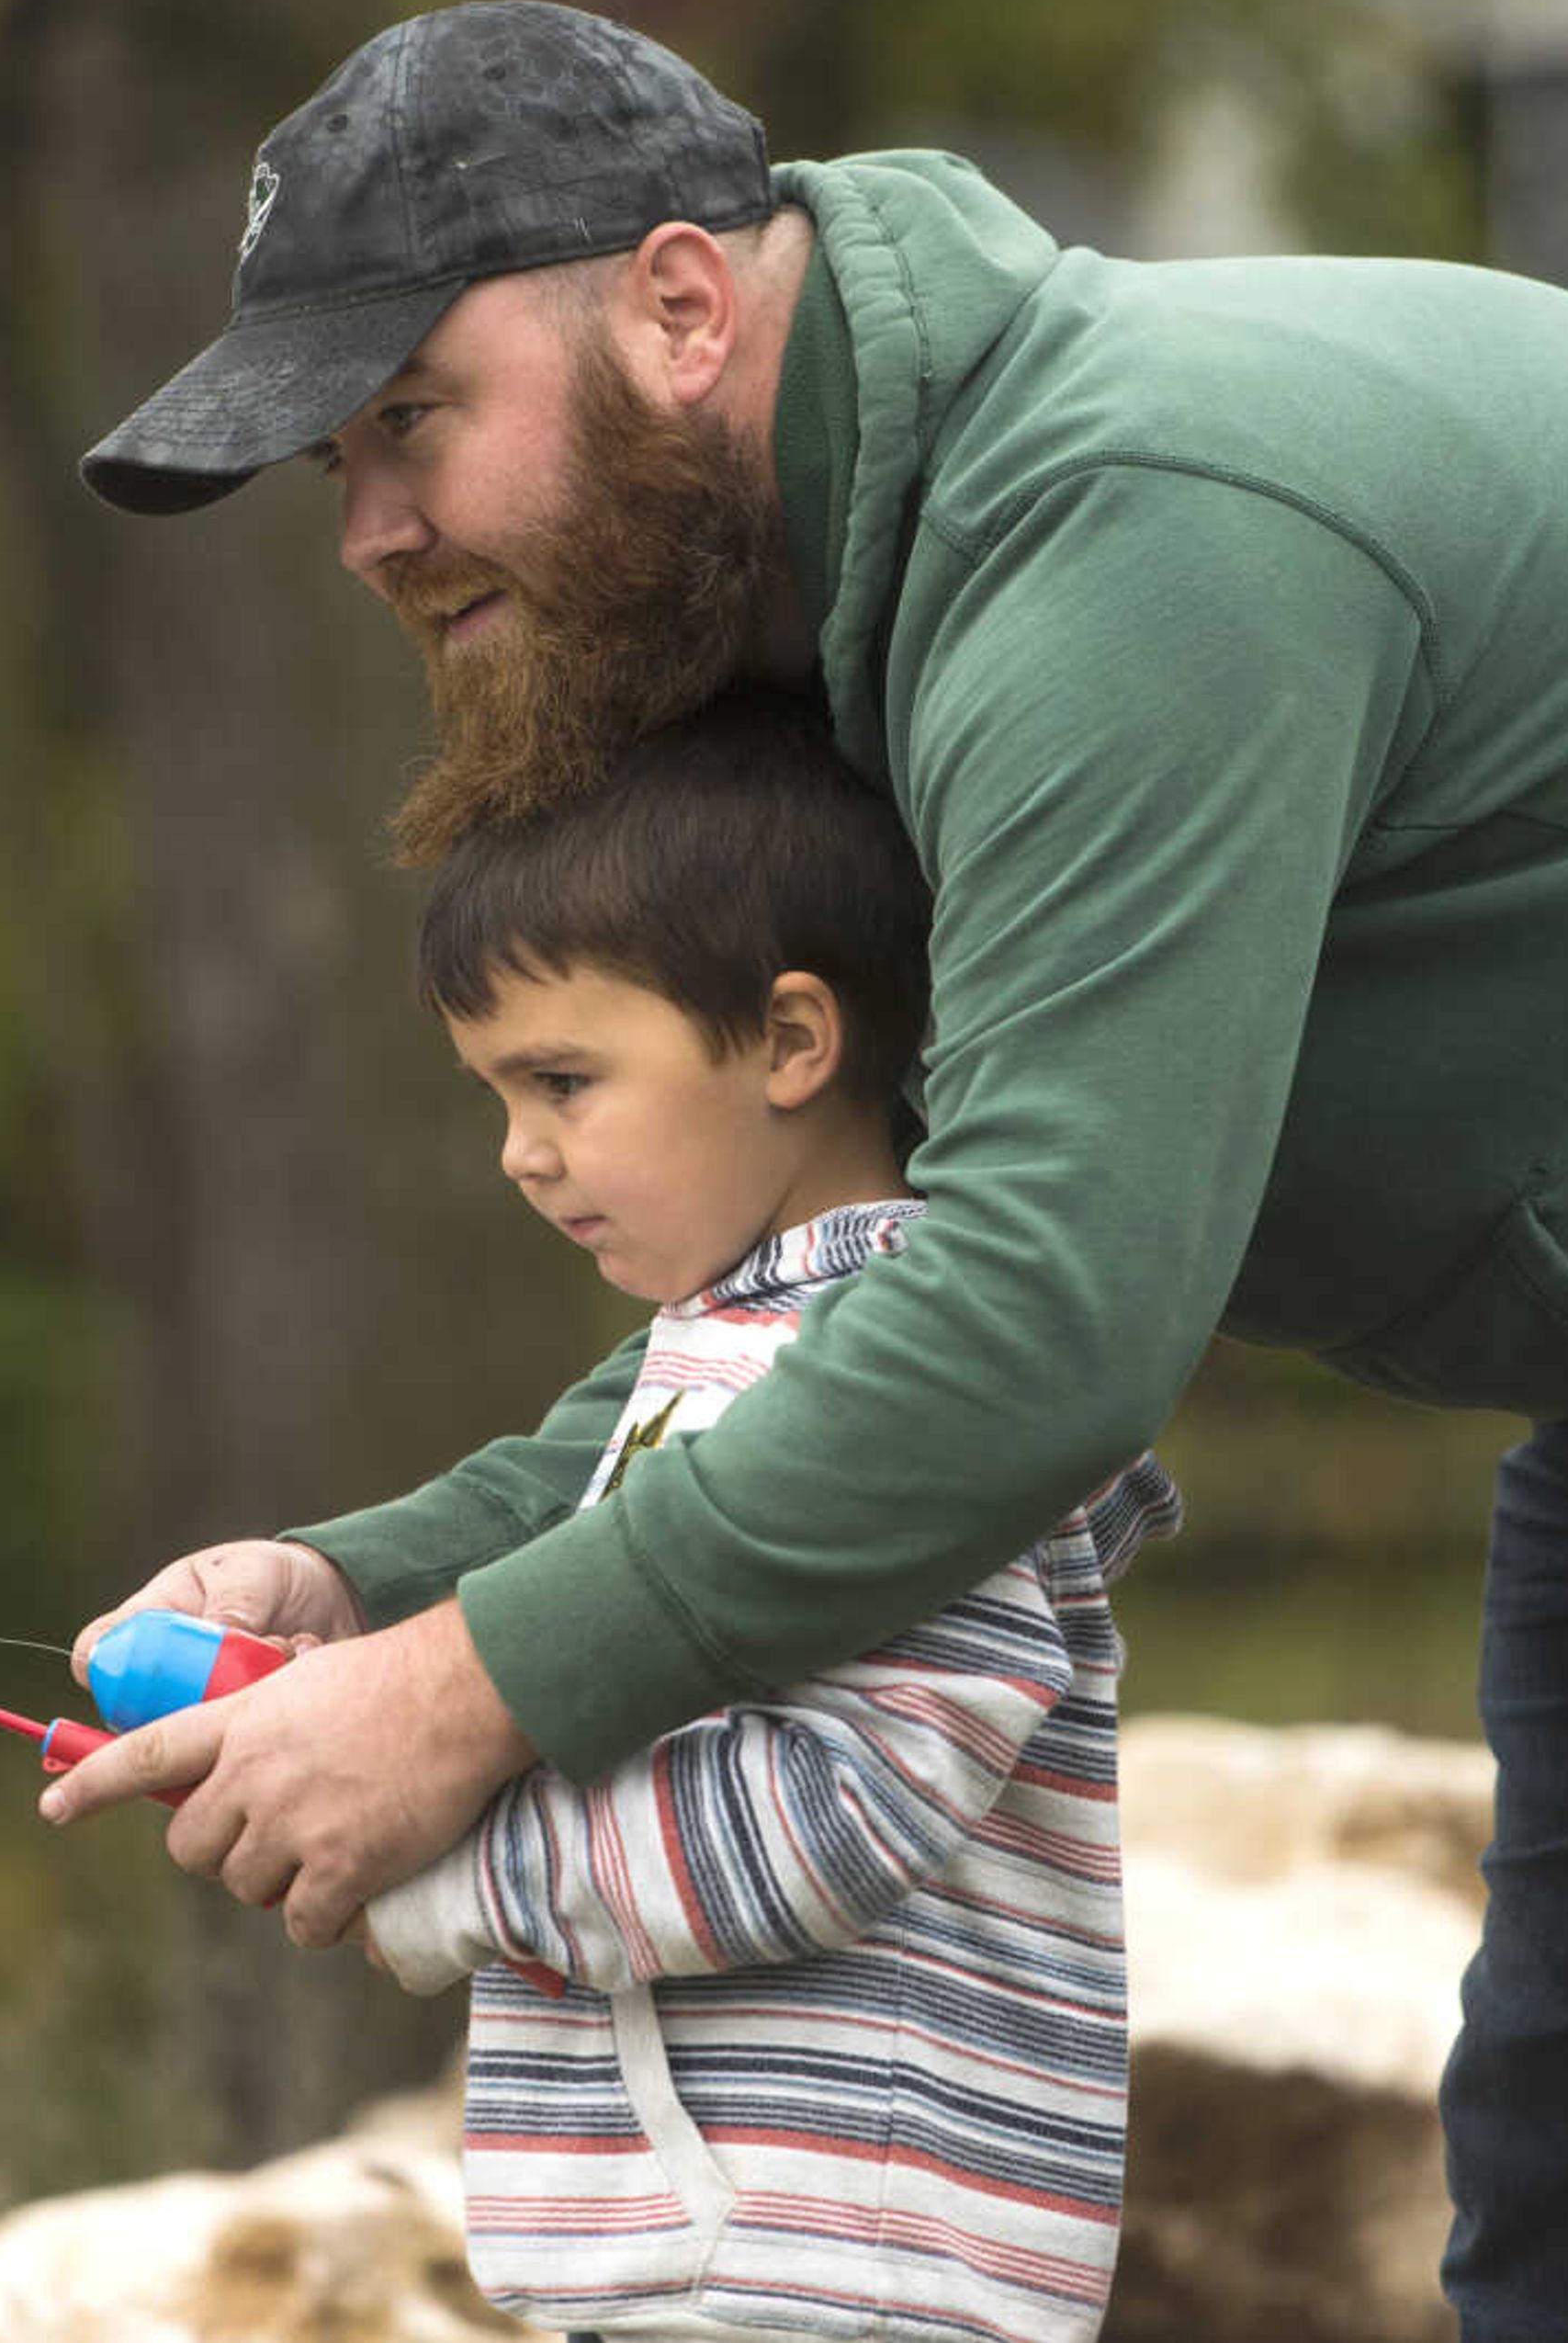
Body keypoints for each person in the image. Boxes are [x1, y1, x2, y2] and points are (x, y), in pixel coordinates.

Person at [46, 1, 1568, 2337]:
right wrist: (377, 1586)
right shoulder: (818, 628)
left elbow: (1044, 1323)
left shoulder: (1114, 555)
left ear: (685, 308)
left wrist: (459, 1702)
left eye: (409, 419)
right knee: (1559, 2179)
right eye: (336, 464)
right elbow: (829, 1303)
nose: (371, 530)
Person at [349, 686, 1176, 2343]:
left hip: (846, 2269)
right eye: (497, 1097)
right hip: (727, 2266)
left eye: (565, 1080)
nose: (522, 1153)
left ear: (795, 1042)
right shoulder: (720, 1357)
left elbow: (845, 1805)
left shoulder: (895, 1382)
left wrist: (442, 1864)